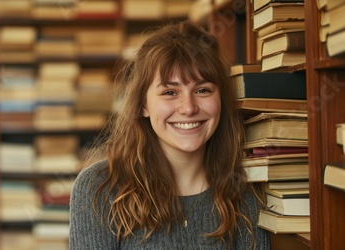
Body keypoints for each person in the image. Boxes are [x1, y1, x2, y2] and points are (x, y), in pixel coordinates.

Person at [68, 21, 270, 249]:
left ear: (221, 99)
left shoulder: (248, 192)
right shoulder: (98, 189)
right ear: (143, 104)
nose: (188, 107)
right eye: (170, 92)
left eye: (202, 90)